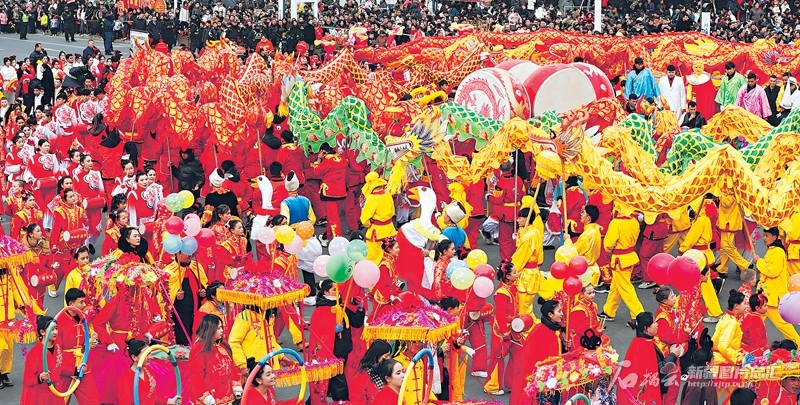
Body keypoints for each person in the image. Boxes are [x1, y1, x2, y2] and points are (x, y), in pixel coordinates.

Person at [617, 312, 681, 405]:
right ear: (646, 329)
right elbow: (659, 369)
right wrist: (673, 355)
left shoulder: (638, 341)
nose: (657, 324)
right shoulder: (645, 346)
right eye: (654, 322)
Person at [510, 298, 565, 405]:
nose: (562, 314)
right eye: (559, 311)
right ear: (550, 315)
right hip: (539, 377)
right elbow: (532, 359)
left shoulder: (553, 330)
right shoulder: (540, 331)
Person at [679, 197, 723, 323]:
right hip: (702, 254)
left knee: (701, 286)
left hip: (697, 255)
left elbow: (691, 238)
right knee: (691, 283)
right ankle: (679, 307)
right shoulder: (705, 219)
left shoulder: (699, 221)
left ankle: (715, 313)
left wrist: (682, 250)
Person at [599, 202, 644, 322]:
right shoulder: (634, 221)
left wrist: (609, 248)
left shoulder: (616, 222)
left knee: (625, 288)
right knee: (616, 286)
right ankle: (609, 311)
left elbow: (608, 244)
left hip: (620, 259)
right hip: (630, 256)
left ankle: (639, 314)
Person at [56, 288, 100, 405]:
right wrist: (69, 370)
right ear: (71, 304)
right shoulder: (59, 321)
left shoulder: (83, 318)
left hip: (83, 366)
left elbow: (83, 341)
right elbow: (56, 350)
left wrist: (89, 344)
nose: (84, 305)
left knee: (92, 400)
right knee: (60, 402)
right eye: (81, 302)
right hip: (64, 369)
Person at [756, 227, 800, 345]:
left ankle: (798, 344)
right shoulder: (772, 250)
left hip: (772, 296)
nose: (764, 238)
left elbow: (772, 272)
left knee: (783, 325)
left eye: (766, 236)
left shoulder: (778, 252)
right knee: (754, 321)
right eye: (764, 235)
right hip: (766, 294)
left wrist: (758, 261)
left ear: (774, 237)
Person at [188, 314, 241, 405]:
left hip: (227, 397)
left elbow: (232, 367)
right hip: (209, 400)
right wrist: (205, 396)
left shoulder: (223, 346)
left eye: (221, 327)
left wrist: (236, 386)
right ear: (210, 329)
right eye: (218, 328)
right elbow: (196, 375)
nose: (222, 330)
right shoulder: (199, 349)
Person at [117, 339, 180, 405]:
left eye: (149, 353)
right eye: (145, 354)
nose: (150, 357)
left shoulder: (148, 371)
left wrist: (170, 401)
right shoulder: (125, 380)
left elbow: (151, 396)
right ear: (134, 357)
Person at [20, 316, 66, 405]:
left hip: (56, 394)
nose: (55, 332)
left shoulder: (58, 347)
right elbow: (28, 380)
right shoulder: (34, 353)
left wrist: (76, 371)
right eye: (52, 329)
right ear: (42, 332)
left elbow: (61, 367)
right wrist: (40, 378)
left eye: (56, 328)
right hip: (40, 398)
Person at [165, 252, 208, 345]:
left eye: (190, 252)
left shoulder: (197, 266)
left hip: (198, 312)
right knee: (184, 343)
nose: (190, 255)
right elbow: (163, 294)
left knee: (199, 342)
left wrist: (204, 292)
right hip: (180, 315)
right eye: (186, 252)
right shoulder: (169, 270)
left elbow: (205, 284)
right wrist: (175, 295)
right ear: (177, 253)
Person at [489, 161, 526, 261]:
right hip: (518, 212)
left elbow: (497, 199)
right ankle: (516, 259)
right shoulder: (518, 179)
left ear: (501, 169)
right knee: (517, 237)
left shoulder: (501, 182)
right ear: (512, 167)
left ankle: (506, 261)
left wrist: (488, 197)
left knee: (505, 240)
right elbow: (524, 193)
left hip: (506, 214)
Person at [311, 143, 348, 244]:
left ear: (323, 151)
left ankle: (338, 241)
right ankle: (326, 236)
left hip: (329, 192)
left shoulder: (327, 161)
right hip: (341, 191)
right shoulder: (342, 159)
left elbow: (316, 173)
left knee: (333, 218)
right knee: (334, 217)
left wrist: (319, 159)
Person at [510, 207, 544, 318]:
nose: (518, 220)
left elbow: (520, 258)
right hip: (533, 272)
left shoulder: (529, 237)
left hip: (526, 275)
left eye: (520, 218)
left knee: (523, 307)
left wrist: (510, 270)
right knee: (527, 306)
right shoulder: (535, 231)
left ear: (526, 219)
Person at [679, 329, 717, 405]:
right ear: (707, 363)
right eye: (713, 358)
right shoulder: (696, 384)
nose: (714, 359)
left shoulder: (706, 377)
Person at [348, 339, 393, 405]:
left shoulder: (384, 374)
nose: (388, 360)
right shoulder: (361, 378)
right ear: (376, 356)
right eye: (385, 357)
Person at [568, 283, 609, 350]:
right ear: (581, 294)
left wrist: (599, 328)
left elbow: (595, 320)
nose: (592, 295)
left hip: (593, 336)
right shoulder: (578, 310)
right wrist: (596, 332)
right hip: (581, 339)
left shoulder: (594, 305)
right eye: (589, 293)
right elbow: (579, 329)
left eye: (593, 292)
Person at [711, 290, 747, 365]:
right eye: (744, 303)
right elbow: (723, 346)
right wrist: (738, 358)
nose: (746, 306)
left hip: (719, 354)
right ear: (736, 306)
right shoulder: (731, 323)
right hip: (722, 359)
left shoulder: (727, 316)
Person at [370, 237, 401, 321]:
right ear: (390, 250)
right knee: (379, 321)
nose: (399, 250)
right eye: (397, 248)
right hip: (383, 298)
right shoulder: (384, 265)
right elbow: (381, 285)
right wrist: (391, 296)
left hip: (391, 295)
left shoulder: (392, 261)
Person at [573, 204, 603, 286]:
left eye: (583, 213)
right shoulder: (595, 229)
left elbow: (574, 251)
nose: (581, 214)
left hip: (585, 271)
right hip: (592, 268)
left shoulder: (587, 235)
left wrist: (567, 240)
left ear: (588, 218)